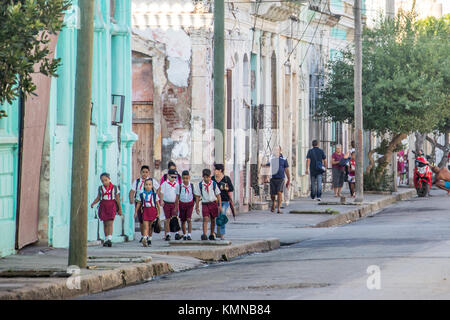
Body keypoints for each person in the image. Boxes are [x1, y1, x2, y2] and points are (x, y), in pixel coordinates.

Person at [129, 165, 160, 243]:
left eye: (146, 172)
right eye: (143, 172)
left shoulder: (151, 181)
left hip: (150, 203)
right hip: (139, 201)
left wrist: (155, 196)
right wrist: (131, 199)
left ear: (149, 173)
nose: (144, 174)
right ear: (140, 172)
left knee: (150, 222)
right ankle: (143, 236)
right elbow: (132, 191)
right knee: (141, 220)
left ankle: (149, 237)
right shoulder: (137, 181)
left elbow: (159, 188)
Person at [90, 173, 122, 247]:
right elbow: (98, 197)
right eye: (102, 181)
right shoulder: (100, 188)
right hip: (103, 205)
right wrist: (93, 203)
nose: (104, 182)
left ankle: (109, 239)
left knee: (110, 223)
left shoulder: (114, 188)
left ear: (109, 179)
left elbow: (117, 199)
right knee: (105, 223)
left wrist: (120, 209)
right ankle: (106, 238)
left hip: (112, 205)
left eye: (106, 180)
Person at [194, 168, 222, 241]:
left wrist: (220, 205)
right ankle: (204, 234)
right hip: (205, 204)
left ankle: (211, 234)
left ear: (210, 176)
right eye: (205, 177)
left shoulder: (213, 184)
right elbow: (197, 196)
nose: (206, 179)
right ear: (203, 177)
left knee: (213, 219)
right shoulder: (200, 185)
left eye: (208, 177)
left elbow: (218, 195)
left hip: (213, 203)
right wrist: (197, 206)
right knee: (205, 218)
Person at [134, 179, 160, 247]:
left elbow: (158, 205)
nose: (148, 186)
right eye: (146, 184)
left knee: (151, 227)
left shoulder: (154, 195)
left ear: (152, 186)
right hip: (145, 211)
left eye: (149, 184)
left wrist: (159, 213)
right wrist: (136, 212)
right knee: (145, 226)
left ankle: (149, 239)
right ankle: (145, 238)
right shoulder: (141, 195)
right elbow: (139, 204)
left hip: (152, 211)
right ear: (144, 186)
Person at [212, 164, 234, 240]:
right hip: (215, 201)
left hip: (225, 200)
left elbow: (232, 188)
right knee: (215, 216)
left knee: (222, 215)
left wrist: (227, 188)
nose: (214, 171)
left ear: (220, 170)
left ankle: (222, 234)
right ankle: (213, 233)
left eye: (215, 170)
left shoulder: (226, 178)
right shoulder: (212, 179)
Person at [160, 169, 182, 241]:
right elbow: (162, 193)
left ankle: (177, 233)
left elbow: (178, 194)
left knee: (175, 218)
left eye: (175, 177)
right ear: (168, 176)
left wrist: (177, 203)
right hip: (166, 203)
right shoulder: (165, 184)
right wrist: (161, 200)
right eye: (172, 177)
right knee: (167, 219)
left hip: (174, 203)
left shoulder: (177, 184)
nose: (174, 179)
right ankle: (168, 234)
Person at [267, 146, 290, 214]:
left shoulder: (284, 159)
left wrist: (289, 178)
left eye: (277, 150)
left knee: (279, 192)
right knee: (272, 194)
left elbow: (286, 169)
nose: (276, 151)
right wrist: (266, 177)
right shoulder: (271, 158)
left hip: (281, 178)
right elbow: (268, 167)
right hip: (273, 178)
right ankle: (274, 202)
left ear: (280, 150)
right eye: (275, 150)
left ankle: (279, 208)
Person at [176, 170, 196, 240]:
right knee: (183, 220)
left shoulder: (192, 186)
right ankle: (184, 234)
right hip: (182, 204)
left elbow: (195, 196)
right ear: (182, 178)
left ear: (189, 177)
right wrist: (176, 207)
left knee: (189, 219)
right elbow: (177, 197)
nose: (185, 180)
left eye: (187, 178)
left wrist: (196, 206)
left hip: (190, 204)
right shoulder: (179, 186)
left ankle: (189, 234)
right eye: (184, 178)